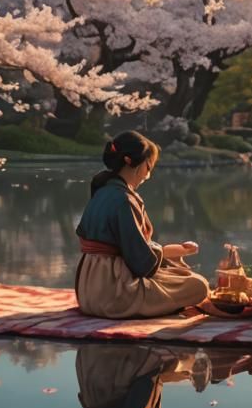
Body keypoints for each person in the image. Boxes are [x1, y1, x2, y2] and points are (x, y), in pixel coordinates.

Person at [74, 131, 210, 318]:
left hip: (88, 290)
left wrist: (167, 252)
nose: (148, 174)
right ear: (135, 164)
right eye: (149, 166)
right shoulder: (124, 200)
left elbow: (130, 251)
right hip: (113, 291)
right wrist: (167, 252)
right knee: (198, 285)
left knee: (179, 275)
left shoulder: (102, 190)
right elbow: (141, 264)